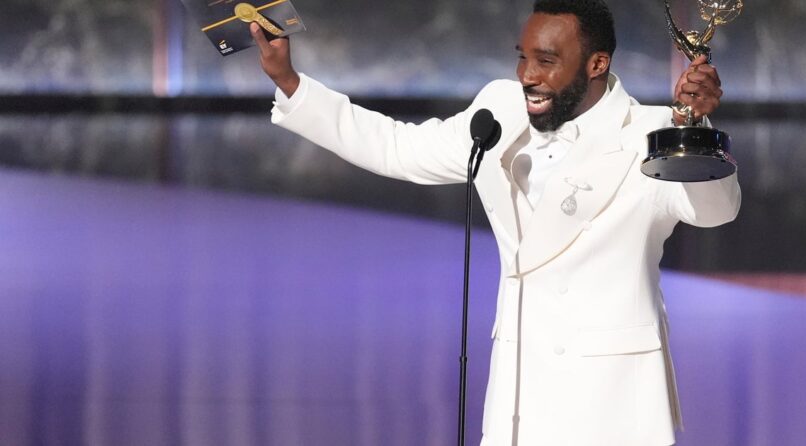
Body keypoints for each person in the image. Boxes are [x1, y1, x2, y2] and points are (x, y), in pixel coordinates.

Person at [252, 0, 740, 444]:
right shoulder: (500, 111)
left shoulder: (650, 132)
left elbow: (715, 211)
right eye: (522, 57)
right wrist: (290, 82)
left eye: (546, 61)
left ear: (597, 64)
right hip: (518, 402)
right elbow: (397, 148)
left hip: (611, 408)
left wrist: (695, 130)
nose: (527, 75)